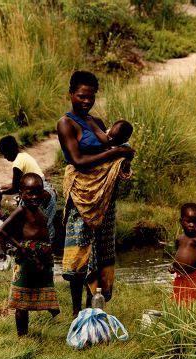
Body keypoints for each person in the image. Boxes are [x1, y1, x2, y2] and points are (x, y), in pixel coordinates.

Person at [57, 70, 135, 317]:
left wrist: (122, 158)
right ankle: (76, 310)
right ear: (71, 94)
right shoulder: (66, 123)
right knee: (81, 250)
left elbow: (111, 144)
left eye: (91, 97)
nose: (86, 101)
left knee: (100, 250)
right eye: (81, 96)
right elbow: (79, 160)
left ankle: (96, 308)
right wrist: (116, 154)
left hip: (104, 196)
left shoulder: (96, 122)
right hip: (82, 195)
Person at [0, 173, 60, 336]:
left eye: (38, 192)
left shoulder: (39, 209)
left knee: (43, 290)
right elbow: (2, 230)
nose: (34, 197)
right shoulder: (22, 210)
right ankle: (22, 335)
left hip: (42, 259)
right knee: (21, 301)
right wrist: (20, 247)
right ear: (21, 193)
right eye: (29, 193)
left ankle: (50, 308)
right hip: (27, 258)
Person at [0, 135, 57, 243]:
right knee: (46, 225)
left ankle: (32, 249)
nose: (4, 157)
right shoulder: (24, 156)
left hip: (38, 194)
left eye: (4, 153)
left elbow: (15, 188)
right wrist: (1, 187)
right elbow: (18, 184)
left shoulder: (17, 163)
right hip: (46, 191)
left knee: (38, 226)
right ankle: (43, 250)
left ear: (10, 150)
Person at [169, 203, 196, 304]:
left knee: (190, 300)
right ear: (181, 221)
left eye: (195, 222)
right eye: (188, 221)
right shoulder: (179, 238)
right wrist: (173, 265)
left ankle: (189, 317)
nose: (192, 225)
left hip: (193, 276)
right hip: (179, 275)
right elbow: (177, 255)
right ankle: (178, 315)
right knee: (178, 298)